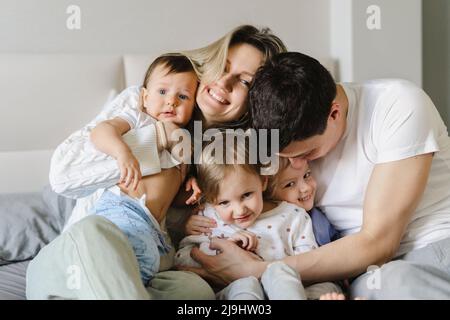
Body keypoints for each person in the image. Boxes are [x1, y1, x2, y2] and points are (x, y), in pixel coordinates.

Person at [26, 25, 287, 300]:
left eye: (245, 81)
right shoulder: (146, 102)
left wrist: (185, 216)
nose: (224, 84)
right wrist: (157, 136)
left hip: (146, 260)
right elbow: (63, 177)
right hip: (79, 259)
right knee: (97, 234)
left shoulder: (231, 157)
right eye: (223, 66)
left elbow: (179, 222)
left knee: (195, 290)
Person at [185, 52, 450, 300]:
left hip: (432, 246)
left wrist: (259, 269)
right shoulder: (278, 118)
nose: (297, 164)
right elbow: (222, 165)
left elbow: (379, 243)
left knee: (396, 280)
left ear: (334, 113)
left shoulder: (398, 105)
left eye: (308, 153)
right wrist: (195, 181)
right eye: (285, 157)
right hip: (359, 271)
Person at [174, 132, 342, 300]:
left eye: (247, 195)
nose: (240, 211)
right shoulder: (209, 218)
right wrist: (225, 247)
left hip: (285, 288)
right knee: (245, 285)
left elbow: (309, 264)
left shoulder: (294, 216)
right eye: (224, 203)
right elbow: (182, 260)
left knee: (286, 274)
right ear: (210, 199)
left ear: (263, 181)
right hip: (235, 290)